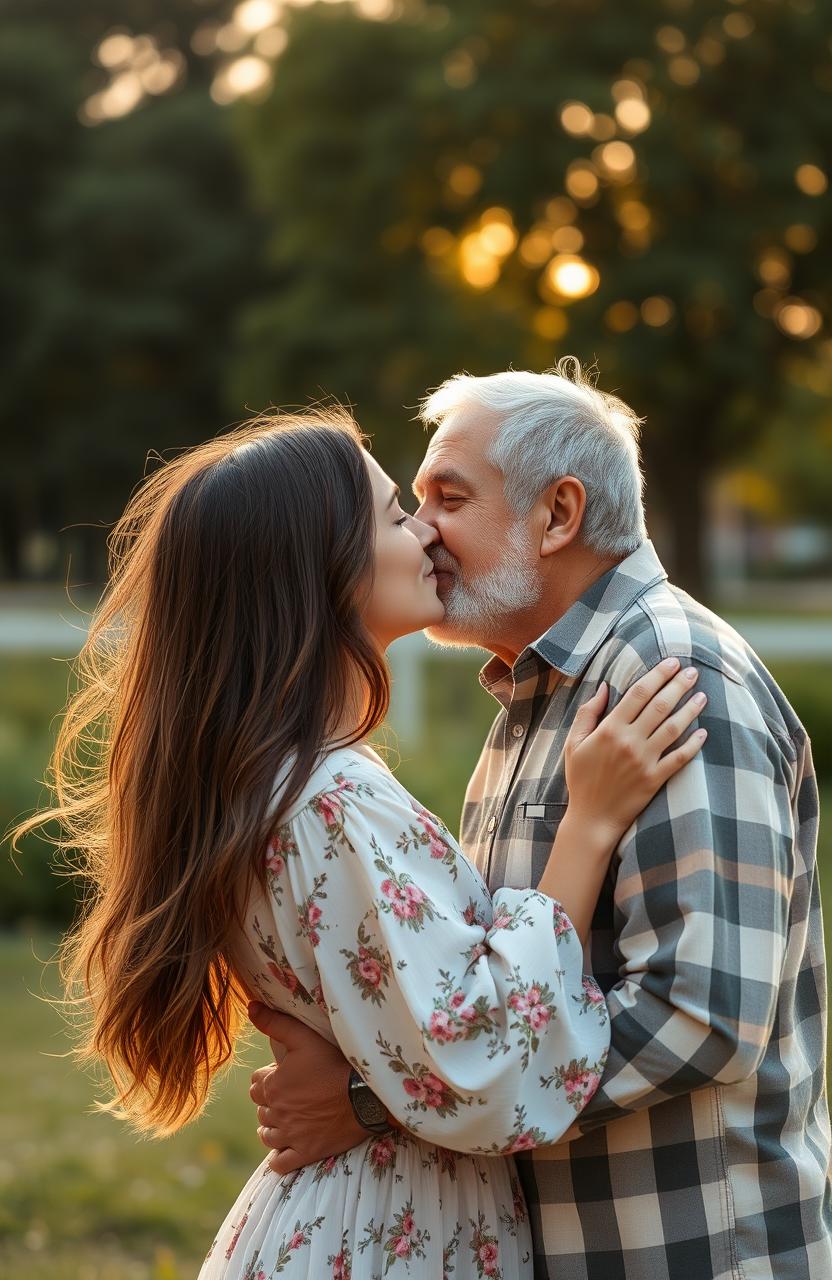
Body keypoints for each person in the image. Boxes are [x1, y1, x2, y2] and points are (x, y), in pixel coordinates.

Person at [15, 405, 707, 1280]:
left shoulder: (284, 782)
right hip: (388, 1235)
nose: (424, 531)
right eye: (393, 514)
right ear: (320, 572)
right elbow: (484, 1058)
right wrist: (590, 824)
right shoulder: (330, 799)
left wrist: (360, 1099)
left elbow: (416, 1036)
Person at [249, 364, 832, 1280]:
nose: (424, 528)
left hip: (682, 1252)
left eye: (450, 495)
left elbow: (701, 1013)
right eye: (415, 500)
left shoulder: (670, 680)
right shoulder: (538, 695)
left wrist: (372, 1104)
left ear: (558, 515)